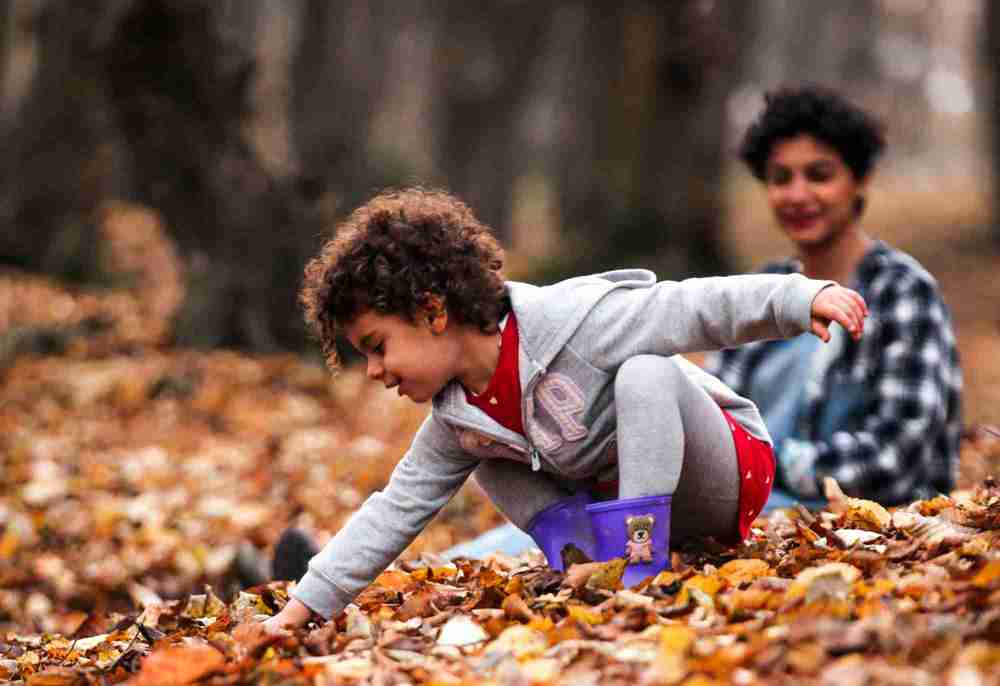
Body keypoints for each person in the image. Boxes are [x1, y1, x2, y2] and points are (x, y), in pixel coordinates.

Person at [260, 187, 867, 632]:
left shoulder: (577, 323)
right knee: (480, 446)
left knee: (646, 371)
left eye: (376, 346)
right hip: (622, 494)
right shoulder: (455, 415)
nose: (374, 371)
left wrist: (798, 297)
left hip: (722, 472)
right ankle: (585, 554)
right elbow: (394, 509)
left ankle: (635, 560)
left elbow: (691, 306)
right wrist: (303, 607)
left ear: (432, 311)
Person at [706, 85, 962, 510]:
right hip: (748, 527)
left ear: (859, 180)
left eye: (819, 175)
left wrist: (763, 465)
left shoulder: (902, 292)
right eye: (781, 178)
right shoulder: (761, 290)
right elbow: (712, 419)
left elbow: (897, 456)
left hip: (870, 536)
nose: (798, 195)